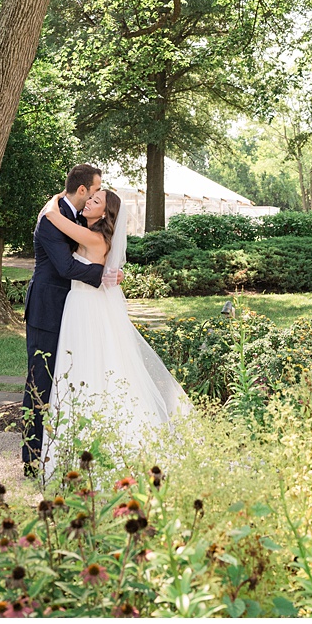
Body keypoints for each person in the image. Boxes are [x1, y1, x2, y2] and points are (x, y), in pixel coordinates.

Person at [37, 185, 186, 479]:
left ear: (105, 213)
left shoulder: (93, 238)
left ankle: (95, 450)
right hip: (81, 306)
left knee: (85, 370)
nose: (89, 201)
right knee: (81, 369)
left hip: (86, 308)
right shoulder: (91, 233)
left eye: (95, 200)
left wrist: (57, 197)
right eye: (90, 197)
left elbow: (53, 215)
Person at [21, 164, 109, 473]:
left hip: (73, 312)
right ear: (83, 190)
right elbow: (66, 268)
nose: (99, 195)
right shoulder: (51, 216)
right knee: (39, 383)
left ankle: (59, 451)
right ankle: (31, 461)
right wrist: (102, 274)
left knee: (67, 380)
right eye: (96, 190)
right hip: (47, 309)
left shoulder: (76, 216)